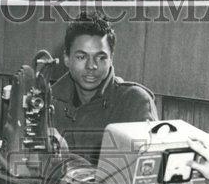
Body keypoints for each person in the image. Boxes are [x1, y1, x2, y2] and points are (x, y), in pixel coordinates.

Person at [50, 12, 158, 165]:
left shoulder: (134, 102)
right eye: (81, 57)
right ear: (67, 58)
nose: (91, 66)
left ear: (111, 58)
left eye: (101, 57)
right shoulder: (49, 101)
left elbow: (147, 170)